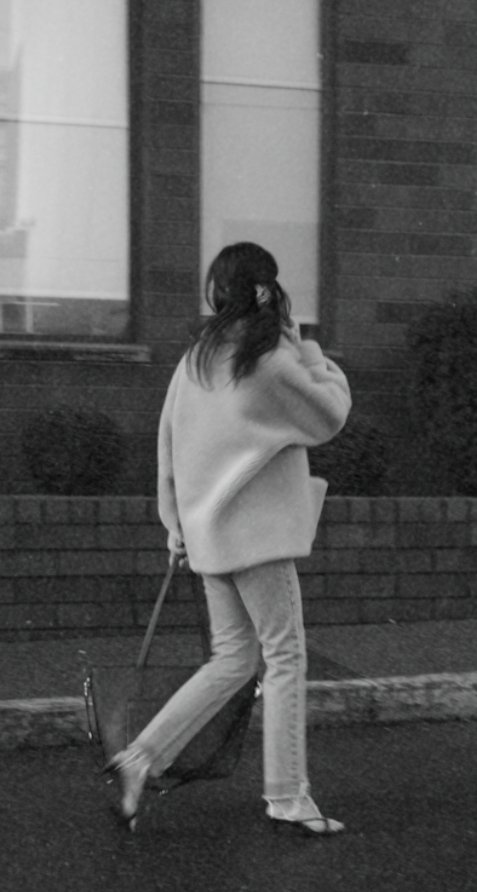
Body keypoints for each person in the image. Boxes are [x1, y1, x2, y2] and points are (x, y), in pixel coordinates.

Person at [106, 242, 352, 836]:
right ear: (267, 290)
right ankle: (288, 796)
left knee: (234, 658)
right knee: (285, 657)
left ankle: (141, 757)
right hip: (258, 538)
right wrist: (309, 347)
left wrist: (176, 527)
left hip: (207, 538)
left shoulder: (195, 361)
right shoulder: (267, 359)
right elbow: (330, 413)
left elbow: (168, 448)